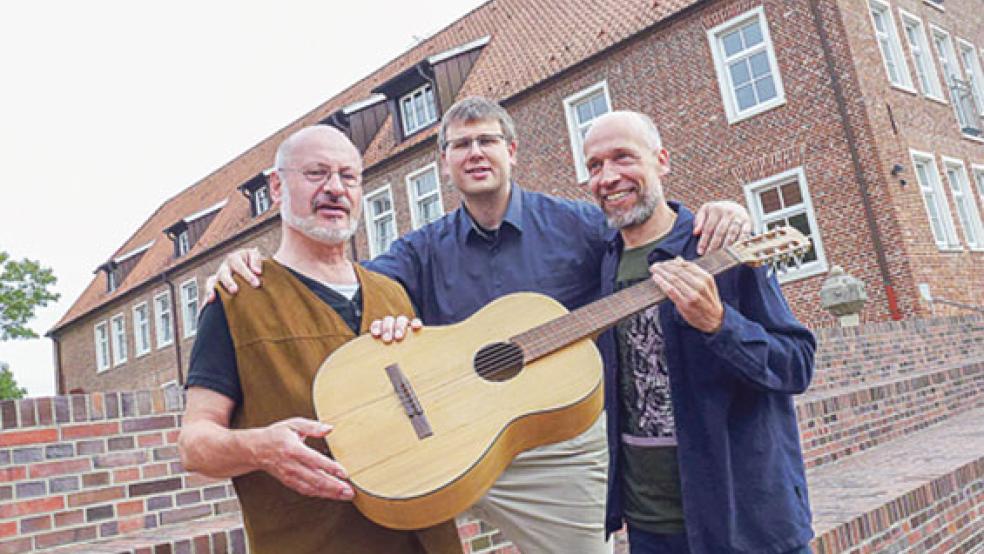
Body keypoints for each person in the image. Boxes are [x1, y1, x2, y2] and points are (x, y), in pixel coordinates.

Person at [208, 97, 751, 553]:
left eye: (487, 140)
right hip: (457, 435)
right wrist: (252, 269)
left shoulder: (579, 226)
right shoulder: (419, 252)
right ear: (444, 163)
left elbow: (645, 234)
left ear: (510, 152)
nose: (475, 153)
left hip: (558, 443)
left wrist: (717, 213)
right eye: (460, 145)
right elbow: (332, 278)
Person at [177, 125, 462, 554]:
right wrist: (260, 448)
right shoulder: (237, 299)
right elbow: (194, 444)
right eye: (316, 173)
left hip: (428, 538)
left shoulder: (394, 295)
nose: (335, 188)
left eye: (348, 177)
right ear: (277, 187)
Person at [582, 110, 816, 553]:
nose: (608, 177)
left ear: (662, 161)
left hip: (746, 523)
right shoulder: (599, 260)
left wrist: (720, 324)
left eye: (623, 158)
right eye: (595, 166)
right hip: (650, 527)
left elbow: (797, 364)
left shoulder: (721, 247)